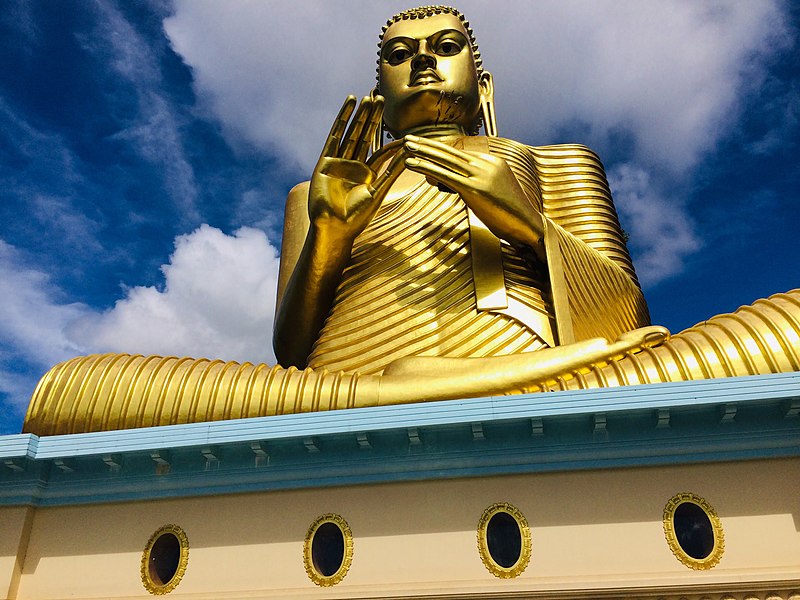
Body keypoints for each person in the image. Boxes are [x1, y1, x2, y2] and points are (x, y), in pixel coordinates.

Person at [22, 6, 800, 436]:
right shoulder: (321, 189)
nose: (423, 61)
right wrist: (329, 231)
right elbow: (292, 353)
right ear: (379, 89)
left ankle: (428, 396)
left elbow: (626, 319)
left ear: (481, 78)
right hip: (341, 396)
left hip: (560, 389)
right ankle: (421, 398)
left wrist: (526, 222)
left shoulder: (555, 162)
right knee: (78, 389)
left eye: (445, 46)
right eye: (399, 53)